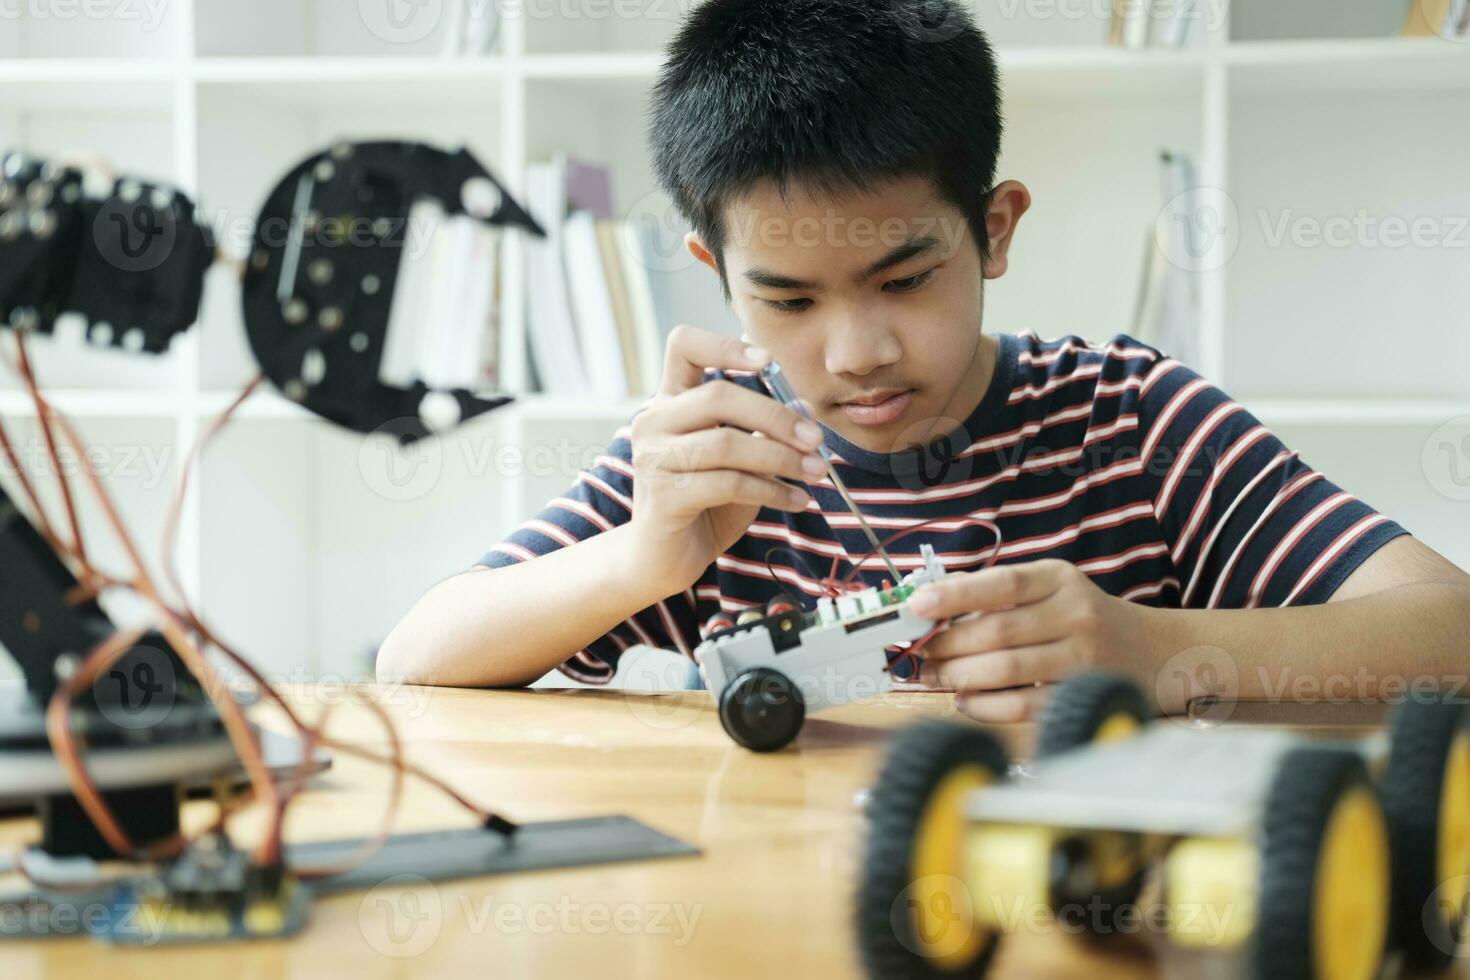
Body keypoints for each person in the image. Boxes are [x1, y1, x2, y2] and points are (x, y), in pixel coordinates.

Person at [378, 0, 1470, 721]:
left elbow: (1451, 633)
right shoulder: (714, 447)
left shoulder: (1128, 419)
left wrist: (1156, 650)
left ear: (994, 229)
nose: (858, 353)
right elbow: (413, 658)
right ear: (716, 273)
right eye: (788, 298)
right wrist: (642, 561)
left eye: (905, 279)